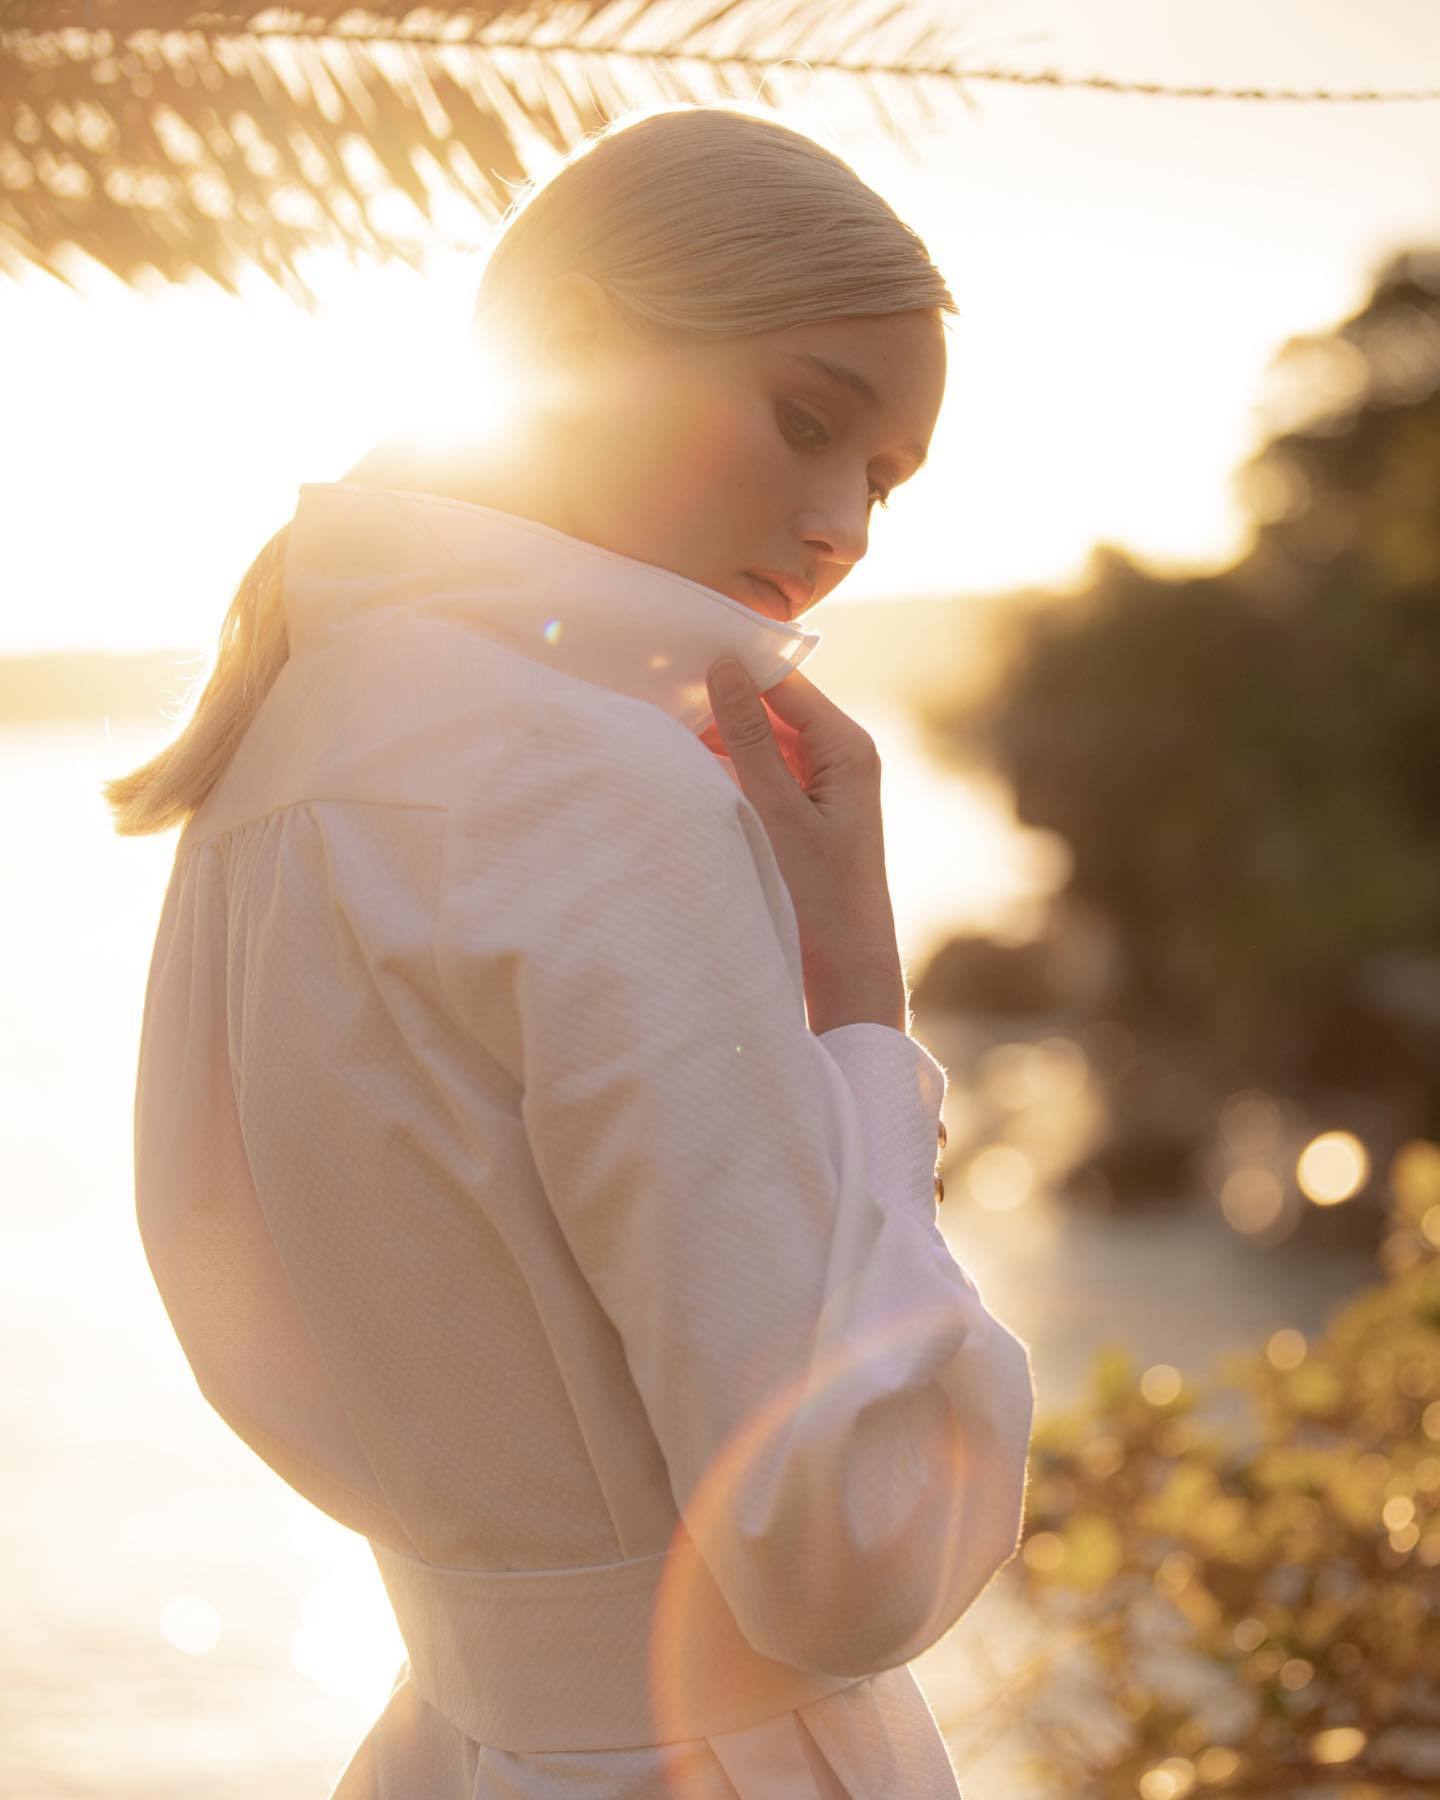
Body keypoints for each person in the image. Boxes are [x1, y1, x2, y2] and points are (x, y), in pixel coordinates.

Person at [107, 100, 1035, 1798]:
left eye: (885, 479)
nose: (845, 523)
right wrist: (860, 1004)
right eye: (808, 421)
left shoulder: (281, 752)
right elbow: (841, 1554)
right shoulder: (604, 787)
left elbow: (225, 1281)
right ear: (566, 344)